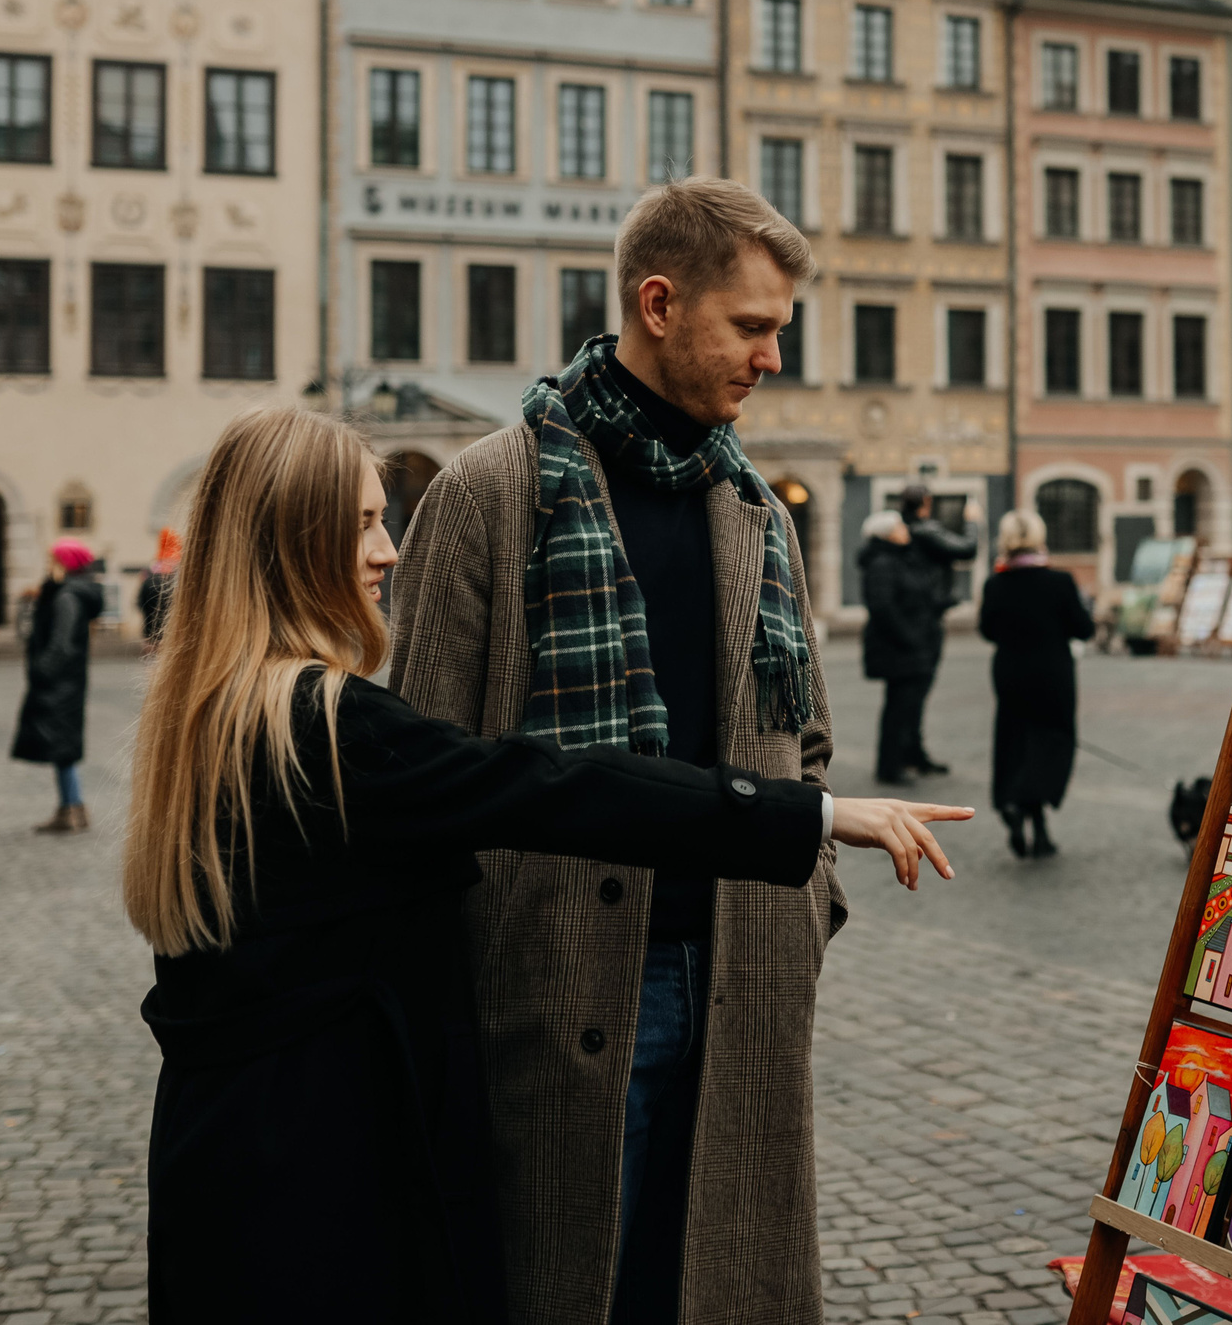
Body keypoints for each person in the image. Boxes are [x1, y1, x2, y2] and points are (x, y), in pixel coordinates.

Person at [132, 406, 965, 1323]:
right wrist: (811, 813)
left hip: (223, 1151)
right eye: (365, 521)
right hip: (321, 1172)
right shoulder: (327, 727)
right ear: (294, 541)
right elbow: (552, 786)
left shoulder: (205, 709)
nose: (389, 550)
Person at [392, 177, 850, 1325]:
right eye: (751, 327)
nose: (770, 357)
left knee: (714, 1286)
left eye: (778, 331)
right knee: (565, 1288)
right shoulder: (490, 491)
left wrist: (809, 908)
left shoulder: (754, 505)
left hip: (742, 973)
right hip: (560, 982)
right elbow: (421, 764)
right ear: (658, 303)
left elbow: (808, 742)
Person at [977, 510, 1094, 859]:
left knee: (1015, 740)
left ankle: (1015, 805)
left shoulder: (996, 583)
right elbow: (1083, 628)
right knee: (1054, 741)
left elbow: (987, 630)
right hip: (1053, 673)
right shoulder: (1060, 581)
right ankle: (1039, 824)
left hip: (1011, 672)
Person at [13, 538, 106, 833]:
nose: (48, 564)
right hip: (69, 681)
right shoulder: (69, 592)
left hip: (60, 682)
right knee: (64, 746)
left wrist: (42, 670)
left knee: (62, 746)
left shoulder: (68, 597)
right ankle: (72, 806)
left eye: (52, 559)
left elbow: (62, 644)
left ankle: (71, 809)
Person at [889, 482, 975, 775]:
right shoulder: (926, 531)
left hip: (920, 616)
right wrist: (974, 522)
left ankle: (911, 752)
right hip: (927, 619)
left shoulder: (905, 530)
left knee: (912, 693)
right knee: (915, 691)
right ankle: (906, 755)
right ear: (924, 503)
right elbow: (967, 549)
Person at [858, 510, 942, 784]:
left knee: (909, 706)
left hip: (911, 645)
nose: (905, 529)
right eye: (899, 526)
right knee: (898, 708)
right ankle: (890, 767)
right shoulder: (883, 562)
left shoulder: (900, 558)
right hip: (899, 648)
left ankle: (908, 757)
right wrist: (911, 638)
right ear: (887, 534)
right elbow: (883, 607)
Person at [136, 529, 179, 653]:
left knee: (152, 666)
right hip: (173, 632)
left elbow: (140, 603)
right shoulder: (177, 581)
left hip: (151, 632)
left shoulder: (147, 578)